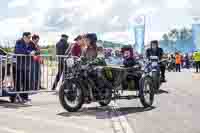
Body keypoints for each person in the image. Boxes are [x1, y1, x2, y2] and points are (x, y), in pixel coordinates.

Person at [14, 32, 35, 102]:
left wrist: (34, 52)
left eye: (30, 37)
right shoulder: (19, 42)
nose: (30, 39)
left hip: (27, 66)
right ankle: (17, 97)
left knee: (26, 82)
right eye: (28, 37)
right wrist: (29, 53)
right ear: (24, 37)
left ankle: (25, 97)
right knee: (18, 82)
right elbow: (19, 51)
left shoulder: (31, 43)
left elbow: (37, 50)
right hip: (19, 66)